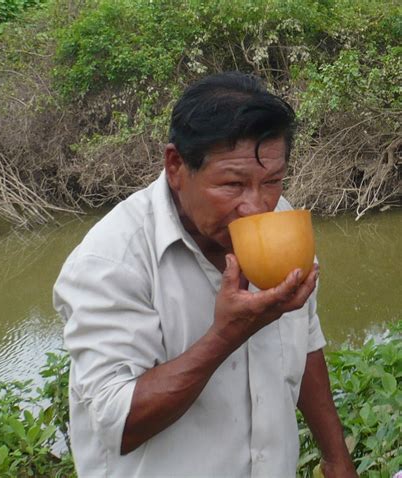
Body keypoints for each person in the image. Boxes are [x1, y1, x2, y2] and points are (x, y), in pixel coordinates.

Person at [53, 72, 357, 478]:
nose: (256, 207)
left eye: (272, 180)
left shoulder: (280, 218)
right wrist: (226, 335)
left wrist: (336, 458)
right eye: (232, 184)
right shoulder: (111, 260)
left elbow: (305, 340)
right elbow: (118, 424)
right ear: (176, 165)